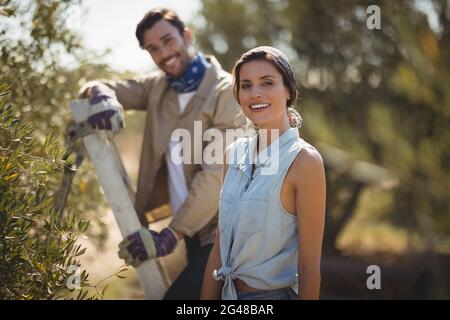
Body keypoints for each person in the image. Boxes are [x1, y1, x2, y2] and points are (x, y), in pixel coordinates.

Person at [79, 8, 241, 299]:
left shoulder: (226, 91)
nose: (164, 53)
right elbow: (101, 85)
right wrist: (102, 96)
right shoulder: (157, 88)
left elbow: (217, 174)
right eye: (153, 48)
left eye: (168, 41)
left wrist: (171, 234)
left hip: (226, 231)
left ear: (187, 35)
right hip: (192, 233)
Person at [200, 46, 326, 300]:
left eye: (267, 83)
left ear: (288, 90)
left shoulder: (304, 162)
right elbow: (220, 247)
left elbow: (309, 268)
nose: (255, 94)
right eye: (246, 85)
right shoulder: (233, 153)